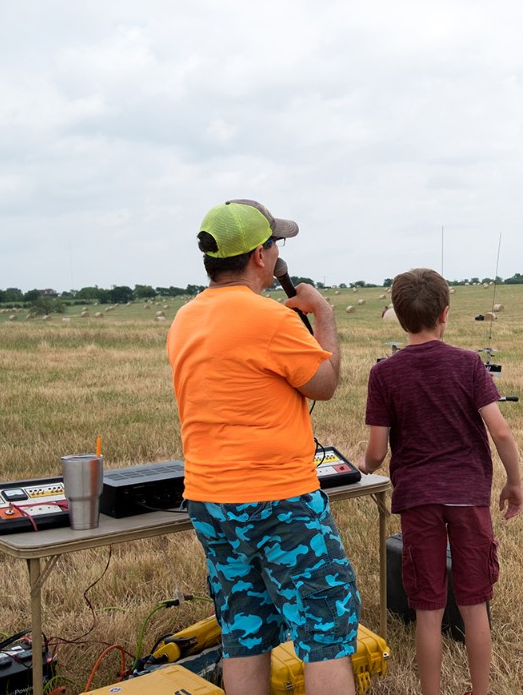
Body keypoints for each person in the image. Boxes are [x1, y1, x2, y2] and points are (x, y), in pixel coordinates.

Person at [167, 199, 359, 695]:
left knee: (244, 630)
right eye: (275, 244)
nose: (277, 254)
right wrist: (323, 314)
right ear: (260, 256)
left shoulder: (184, 320)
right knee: (325, 630)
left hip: (211, 500)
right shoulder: (269, 319)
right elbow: (324, 383)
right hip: (279, 501)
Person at [358, 267, 523, 695]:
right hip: (468, 497)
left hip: (417, 501)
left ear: (397, 317)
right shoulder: (469, 363)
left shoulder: (384, 374)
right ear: (445, 313)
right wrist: (514, 482)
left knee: (428, 609)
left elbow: (376, 453)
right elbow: (500, 431)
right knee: (472, 604)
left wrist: (362, 464)